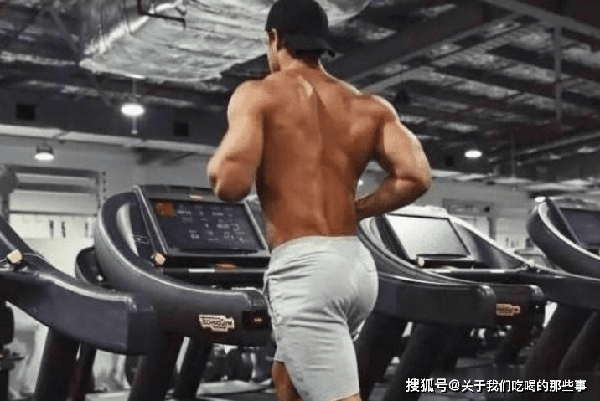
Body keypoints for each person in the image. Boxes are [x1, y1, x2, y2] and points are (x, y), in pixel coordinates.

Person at [207, 0, 432, 400]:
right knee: (286, 377)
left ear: (274, 38)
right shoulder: (369, 106)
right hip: (356, 267)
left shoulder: (258, 94)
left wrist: (219, 161)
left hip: (305, 272)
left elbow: (230, 185)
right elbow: (416, 176)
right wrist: (356, 209)